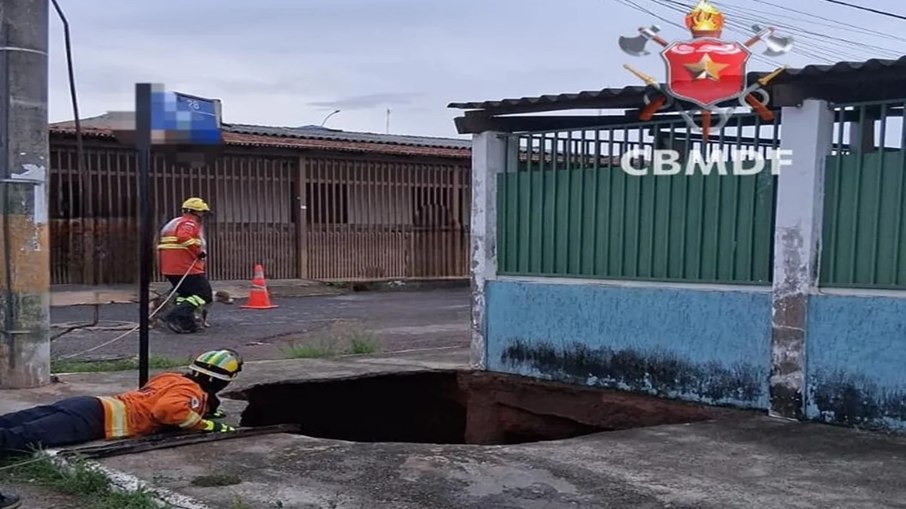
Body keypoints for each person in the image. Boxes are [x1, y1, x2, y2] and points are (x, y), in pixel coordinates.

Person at [0, 349, 242, 458]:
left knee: (17, 421)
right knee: (18, 438)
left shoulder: (172, 378)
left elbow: (163, 399)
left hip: (90, 405)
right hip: (95, 420)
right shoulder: (193, 392)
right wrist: (207, 426)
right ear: (223, 381)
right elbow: (168, 410)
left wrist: (208, 412)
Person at [158, 197, 213, 334]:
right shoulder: (188, 223)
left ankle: (186, 323)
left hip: (171, 268)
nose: (202, 216)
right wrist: (198, 252)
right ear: (193, 212)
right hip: (186, 267)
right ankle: (173, 316)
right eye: (201, 212)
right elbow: (183, 237)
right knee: (204, 295)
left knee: (185, 294)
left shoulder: (174, 223)